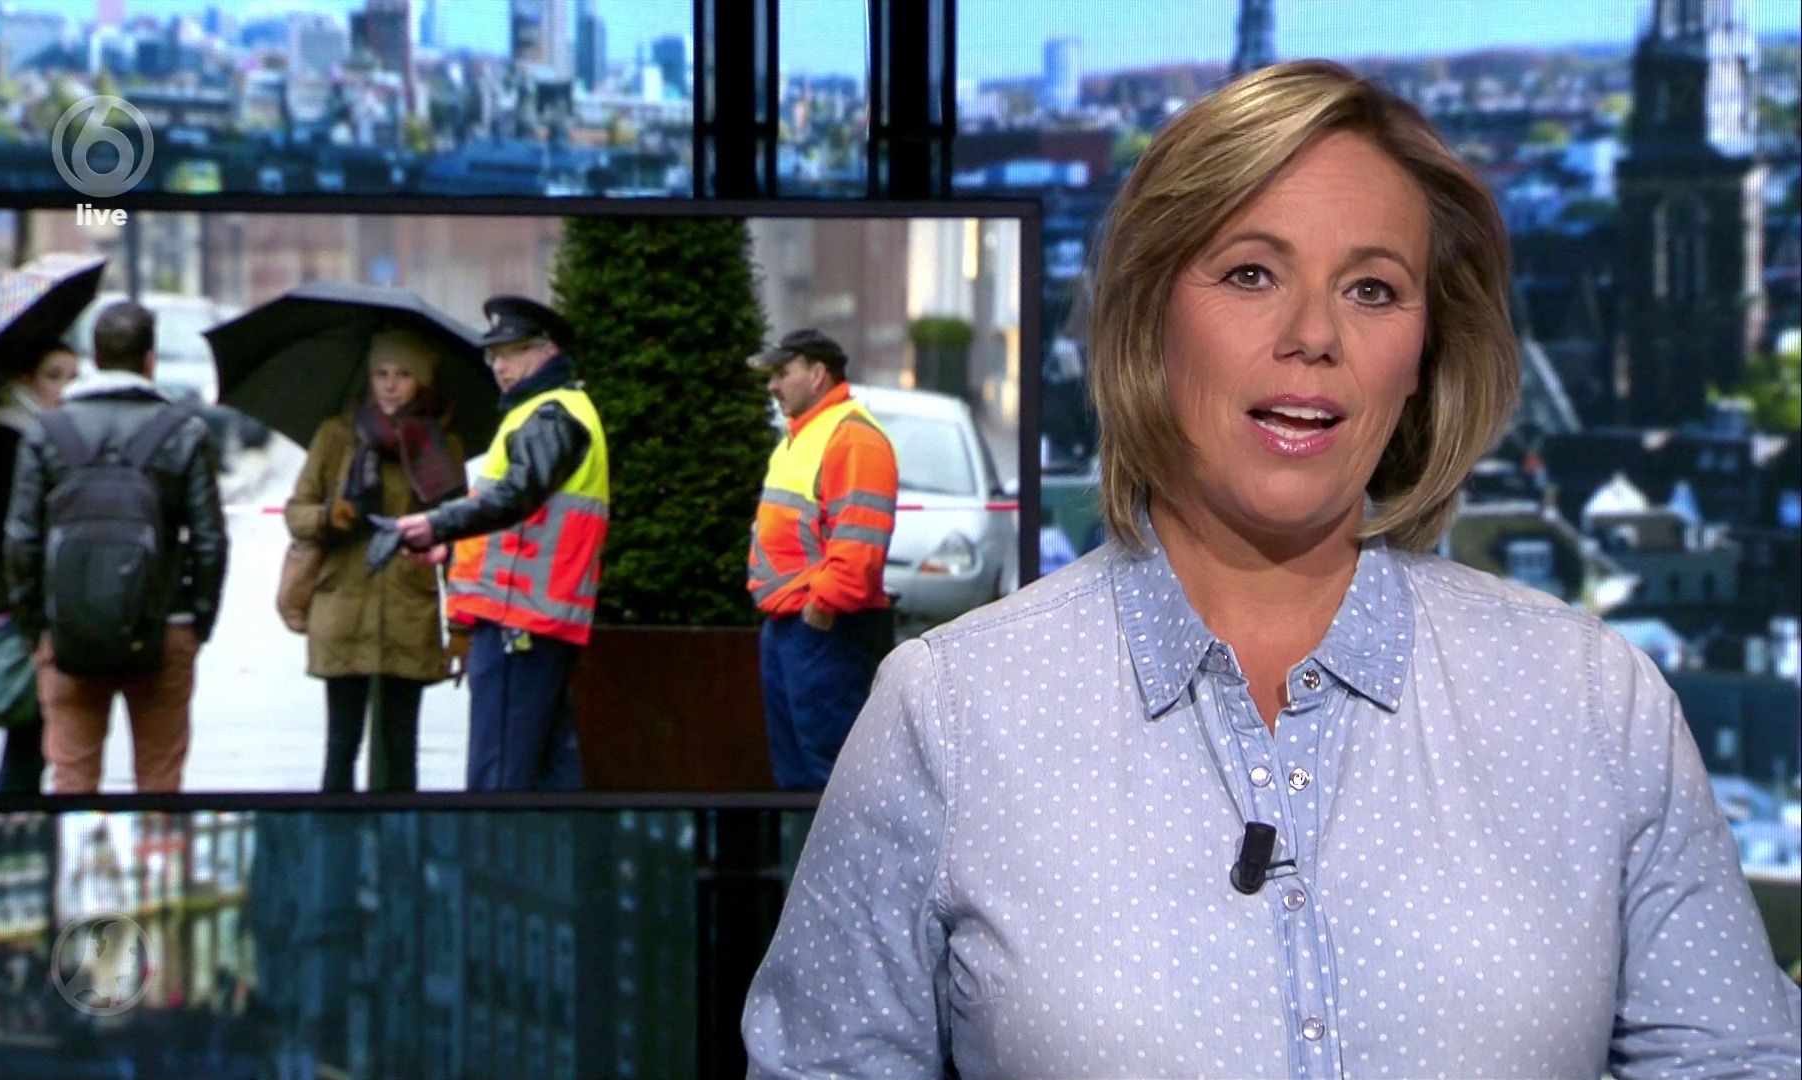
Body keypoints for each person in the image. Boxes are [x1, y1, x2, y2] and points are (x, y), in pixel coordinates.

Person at [743, 61, 1801, 1076]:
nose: (1313, 335)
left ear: (1426, 352)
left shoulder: (1591, 705)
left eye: (1373, 289)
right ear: (1149, 316)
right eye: (1252, 274)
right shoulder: (948, 716)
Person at [5, 300, 228, 794]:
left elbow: (21, 540)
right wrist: (196, 621)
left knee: (72, 777)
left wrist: (35, 627)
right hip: (164, 625)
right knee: (160, 781)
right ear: (150, 361)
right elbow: (210, 541)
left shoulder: (47, 432)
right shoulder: (184, 432)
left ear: (94, 357)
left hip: (68, 631)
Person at [394, 296, 608, 791]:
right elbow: (518, 517)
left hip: (520, 621)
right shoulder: (544, 411)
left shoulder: (549, 415)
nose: (500, 366)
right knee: (548, 776)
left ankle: (498, 848)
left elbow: (516, 497)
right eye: (493, 355)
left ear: (548, 350)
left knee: (499, 783)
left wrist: (436, 524)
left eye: (513, 353)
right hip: (533, 620)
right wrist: (451, 544)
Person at [284, 328, 467, 792]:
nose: (389, 385)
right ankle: (338, 833)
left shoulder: (441, 444)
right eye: (381, 373)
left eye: (403, 375)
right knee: (340, 745)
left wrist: (462, 623)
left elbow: (461, 534)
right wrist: (328, 516)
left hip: (407, 605)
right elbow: (297, 511)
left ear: (421, 382)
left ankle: (397, 834)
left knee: (402, 746)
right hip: (343, 603)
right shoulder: (336, 436)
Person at [745, 329, 898, 791]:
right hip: (796, 624)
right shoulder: (807, 434)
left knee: (826, 772)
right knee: (799, 772)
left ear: (817, 374)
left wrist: (822, 605)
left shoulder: (852, 438)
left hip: (822, 629)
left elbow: (860, 543)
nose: (773, 385)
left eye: (782, 373)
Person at [0, 342, 78, 794]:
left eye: (74, 377)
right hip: (14, 604)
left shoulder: (40, 436)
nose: (66, 389)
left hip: (15, 600)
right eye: (54, 376)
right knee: (28, 727)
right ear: (26, 380)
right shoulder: (15, 440)